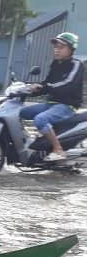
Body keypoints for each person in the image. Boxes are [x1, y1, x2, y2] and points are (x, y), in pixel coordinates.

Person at [19, 32, 83, 162]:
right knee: (21, 112)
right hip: (51, 103)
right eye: (56, 47)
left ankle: (58, 149)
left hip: (67, 105)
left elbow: (68, 84)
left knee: (40, 119)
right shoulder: (56, 64)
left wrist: (45, 86)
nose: (57, 50)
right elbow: (47, 83)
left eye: (61, 47)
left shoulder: (76, 64)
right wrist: (29, 89)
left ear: (71, 49)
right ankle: (30, 142)